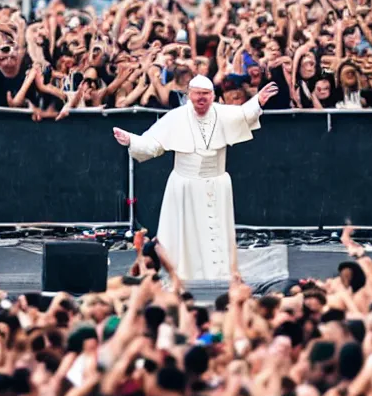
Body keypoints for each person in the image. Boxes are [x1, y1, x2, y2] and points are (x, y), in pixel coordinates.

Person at [112, 75, 279, 281]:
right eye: (197, 93)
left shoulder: (223, 113)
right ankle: (181, 270)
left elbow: (244, 115)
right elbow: (154, 144)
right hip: (185, 185)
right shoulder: (176, 117)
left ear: (213, 96)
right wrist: (131, 140)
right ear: (189, 94)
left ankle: (218, 270)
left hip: (216, 183)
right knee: (185, 234)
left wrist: (258, 101)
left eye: (206, 94)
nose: (201, 98)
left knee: (216, 234)